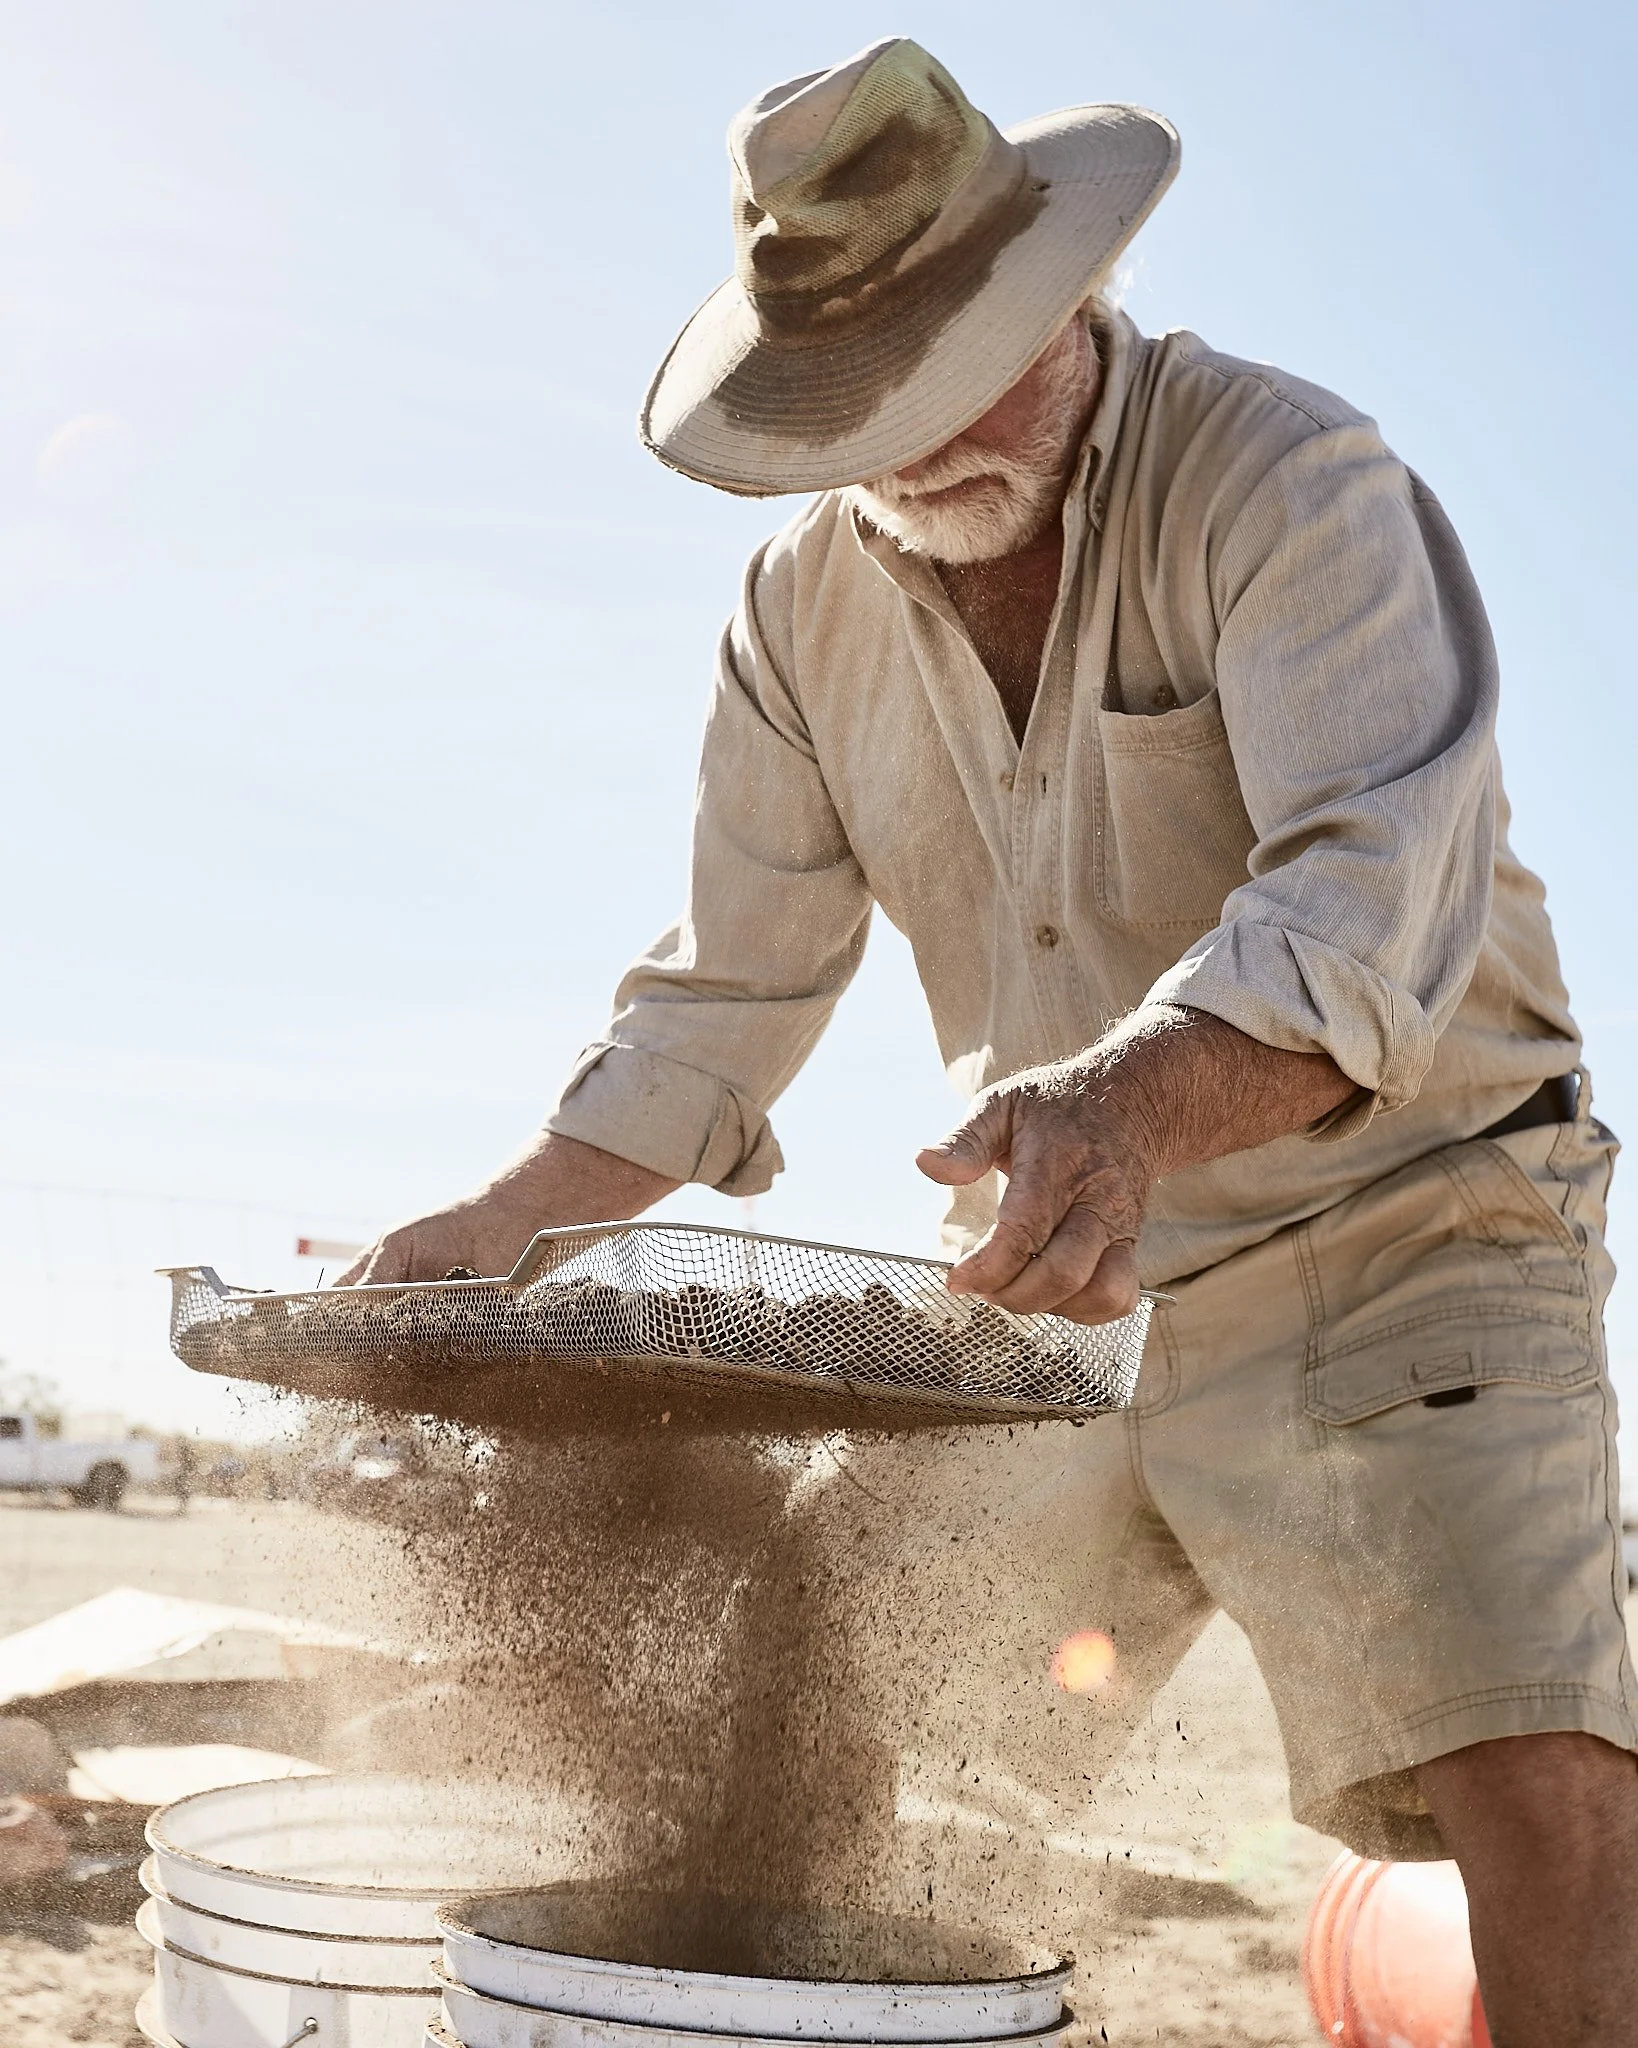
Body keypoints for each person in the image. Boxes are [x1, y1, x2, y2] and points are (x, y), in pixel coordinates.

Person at [341, 40, 1638, 2041]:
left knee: (1535, 1776)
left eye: (973, 367)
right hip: (1072, 1276)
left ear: (1071, 294)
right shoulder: (794, 615)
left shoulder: (1289, 479)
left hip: (1420, 1219)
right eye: (869, 401)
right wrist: (514, 1217)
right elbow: (728, 992)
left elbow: (1367, 896)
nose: (923, 436)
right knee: (814, 1693)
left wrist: (1127, 1105)